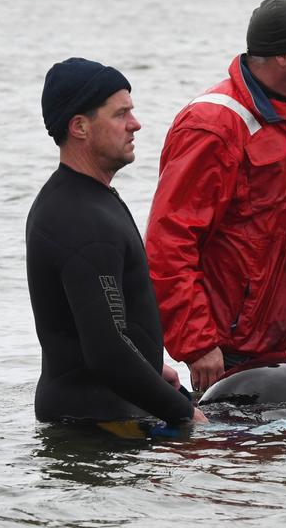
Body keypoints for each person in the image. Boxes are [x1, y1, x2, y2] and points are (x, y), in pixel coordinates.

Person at [145, 0, 286, 392]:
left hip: (282, 345)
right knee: (228, 455)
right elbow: (168, 243)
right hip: (227, 350)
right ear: (281, 58)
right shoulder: (213, 125)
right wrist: (197, 344)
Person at [28, 58, 205, 425]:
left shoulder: (86, 198)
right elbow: (107, 352)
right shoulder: (81, 220)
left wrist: (152, 365)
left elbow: (104, 327)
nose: (135, 124)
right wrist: (187, 417)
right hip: (96, 427)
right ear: (79, 126)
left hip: (106, 410)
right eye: (121, 114)